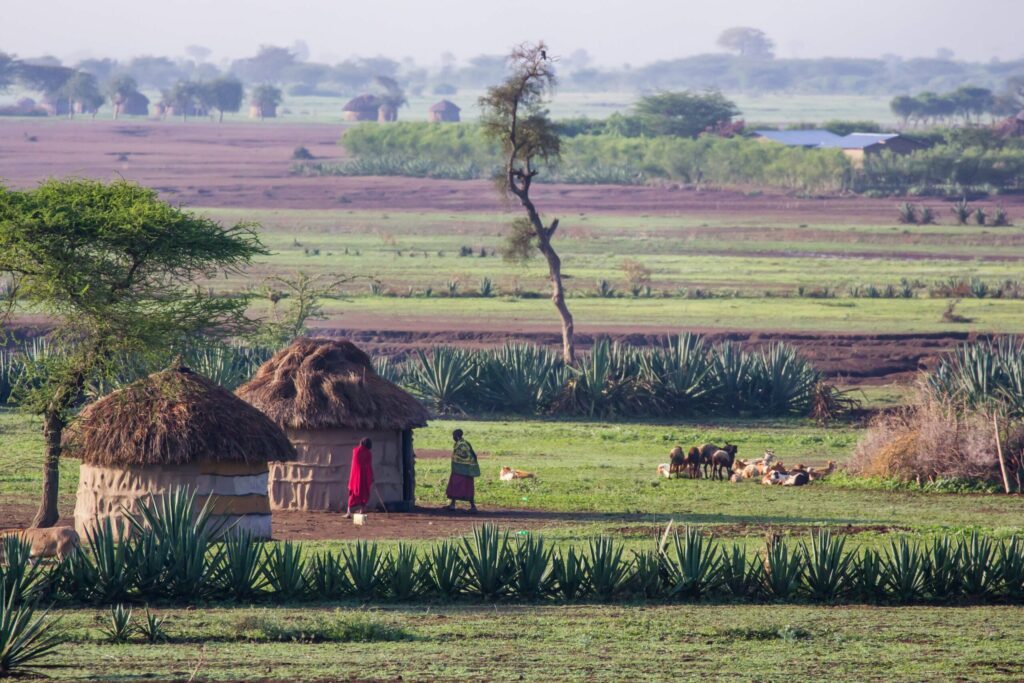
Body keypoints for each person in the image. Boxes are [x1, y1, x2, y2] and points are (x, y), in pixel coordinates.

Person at [445, 428, 480, 512]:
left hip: (464, 469)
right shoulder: (461, 443)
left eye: (453, 436)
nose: (453, 437)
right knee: (456, 485)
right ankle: (452, 504)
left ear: (456, 436)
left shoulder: (462, 445)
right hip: (458, 468)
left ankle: (473, 506)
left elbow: (470, 456)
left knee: (465, 487)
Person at [346, 437, 374, 518]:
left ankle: (348, 511)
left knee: (353, 493)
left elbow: (356, 464)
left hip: (355, 476)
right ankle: (362, 510)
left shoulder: (355, 451)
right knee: (364, 493)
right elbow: (368, 466)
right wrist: (371, 476)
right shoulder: (368, 453)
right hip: (364, 476)